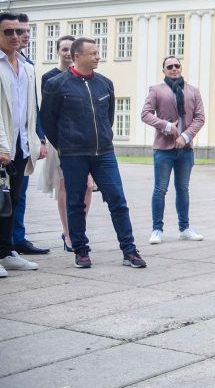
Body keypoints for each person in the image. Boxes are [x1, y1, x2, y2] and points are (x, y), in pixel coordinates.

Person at [40, 37, 146, 269]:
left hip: (104, 153)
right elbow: (48, 120)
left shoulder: (105, 83)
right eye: (93, 53)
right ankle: (80, 250)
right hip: (73, 153)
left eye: (98, 52)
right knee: (76, 202)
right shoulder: (56, 84)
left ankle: (129, 250)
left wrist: (104, 138)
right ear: (77, 56)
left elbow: (108, 117)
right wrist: (64, 145)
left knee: (118, 200)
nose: (98, 56)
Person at [36, 35, 94, 252]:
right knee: (65, 185)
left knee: (88, 186)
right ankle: (68, 234)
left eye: (71, 50)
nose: (68, 54)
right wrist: (46, 139)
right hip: (59, 139)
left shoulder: (85, 76)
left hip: (82, 140)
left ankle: (78, 228)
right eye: (64, 50)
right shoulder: (50, 77)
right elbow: (47, 112)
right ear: (58, 52)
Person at [140, 56, 206, 244]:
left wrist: (185, 136)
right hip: (163, 148)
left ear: (181, 67)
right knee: (160, 189)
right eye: (170, 66)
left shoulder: (193, 91)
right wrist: (167, 126)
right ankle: (157, 229)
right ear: (164, 70)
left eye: (177, 65)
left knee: (183, 189)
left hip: (185, 149)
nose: (174, 69)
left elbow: (200, 118)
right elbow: (145, 114)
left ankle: (184, 228)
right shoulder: (156, 90)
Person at [0, 12, 43, 276]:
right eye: (8, 32)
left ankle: (5, 252)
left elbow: (31, 110)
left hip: (20, 146)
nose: (15, 36)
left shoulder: (27, 68)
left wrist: (33, 143)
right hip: (3, 145)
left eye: (18, 31)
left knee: (11, 201)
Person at [11, 13, 49, 255]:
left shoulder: (28, 65)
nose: (23, 35)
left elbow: (33, 105)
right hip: (7, 139)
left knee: (19, 195)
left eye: (26, 31)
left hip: (23, 142)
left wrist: (41, 137)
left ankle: (17, 239)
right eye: (18, 31)